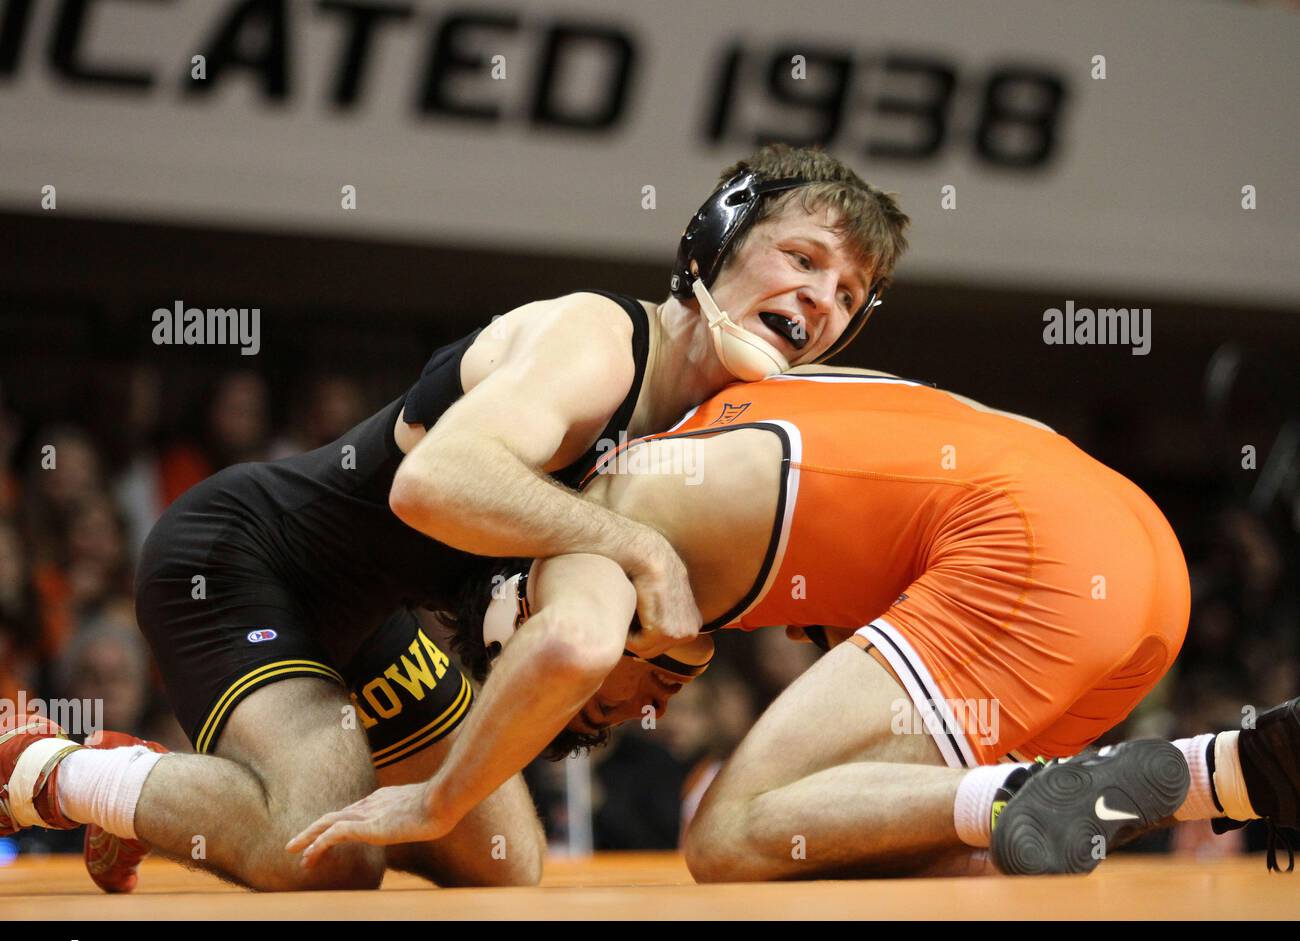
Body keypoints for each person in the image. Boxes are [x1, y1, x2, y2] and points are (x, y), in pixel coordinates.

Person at [1, 145, 910, 892]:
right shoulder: (597, 341)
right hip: (244, 561)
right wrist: (635, 545)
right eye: (803, 260)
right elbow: (432, 483)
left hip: (374, 618)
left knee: (508, 868)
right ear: (713, 243)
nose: (820, 302)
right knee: (325, 860)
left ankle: (200, 797)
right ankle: (58, 773)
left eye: (846, 293)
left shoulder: (711, 429)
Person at [286, 366, 1299, 878]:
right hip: (1139, 568)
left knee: (723, 835)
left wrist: (435, 798)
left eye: (581, 717)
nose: (627, 706)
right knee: (926, 835)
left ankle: (1102, 781)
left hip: (1036, 549)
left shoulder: (581, 544)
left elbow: (567, 644)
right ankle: (1221, 770)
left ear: (503, 608)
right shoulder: (719, 421)